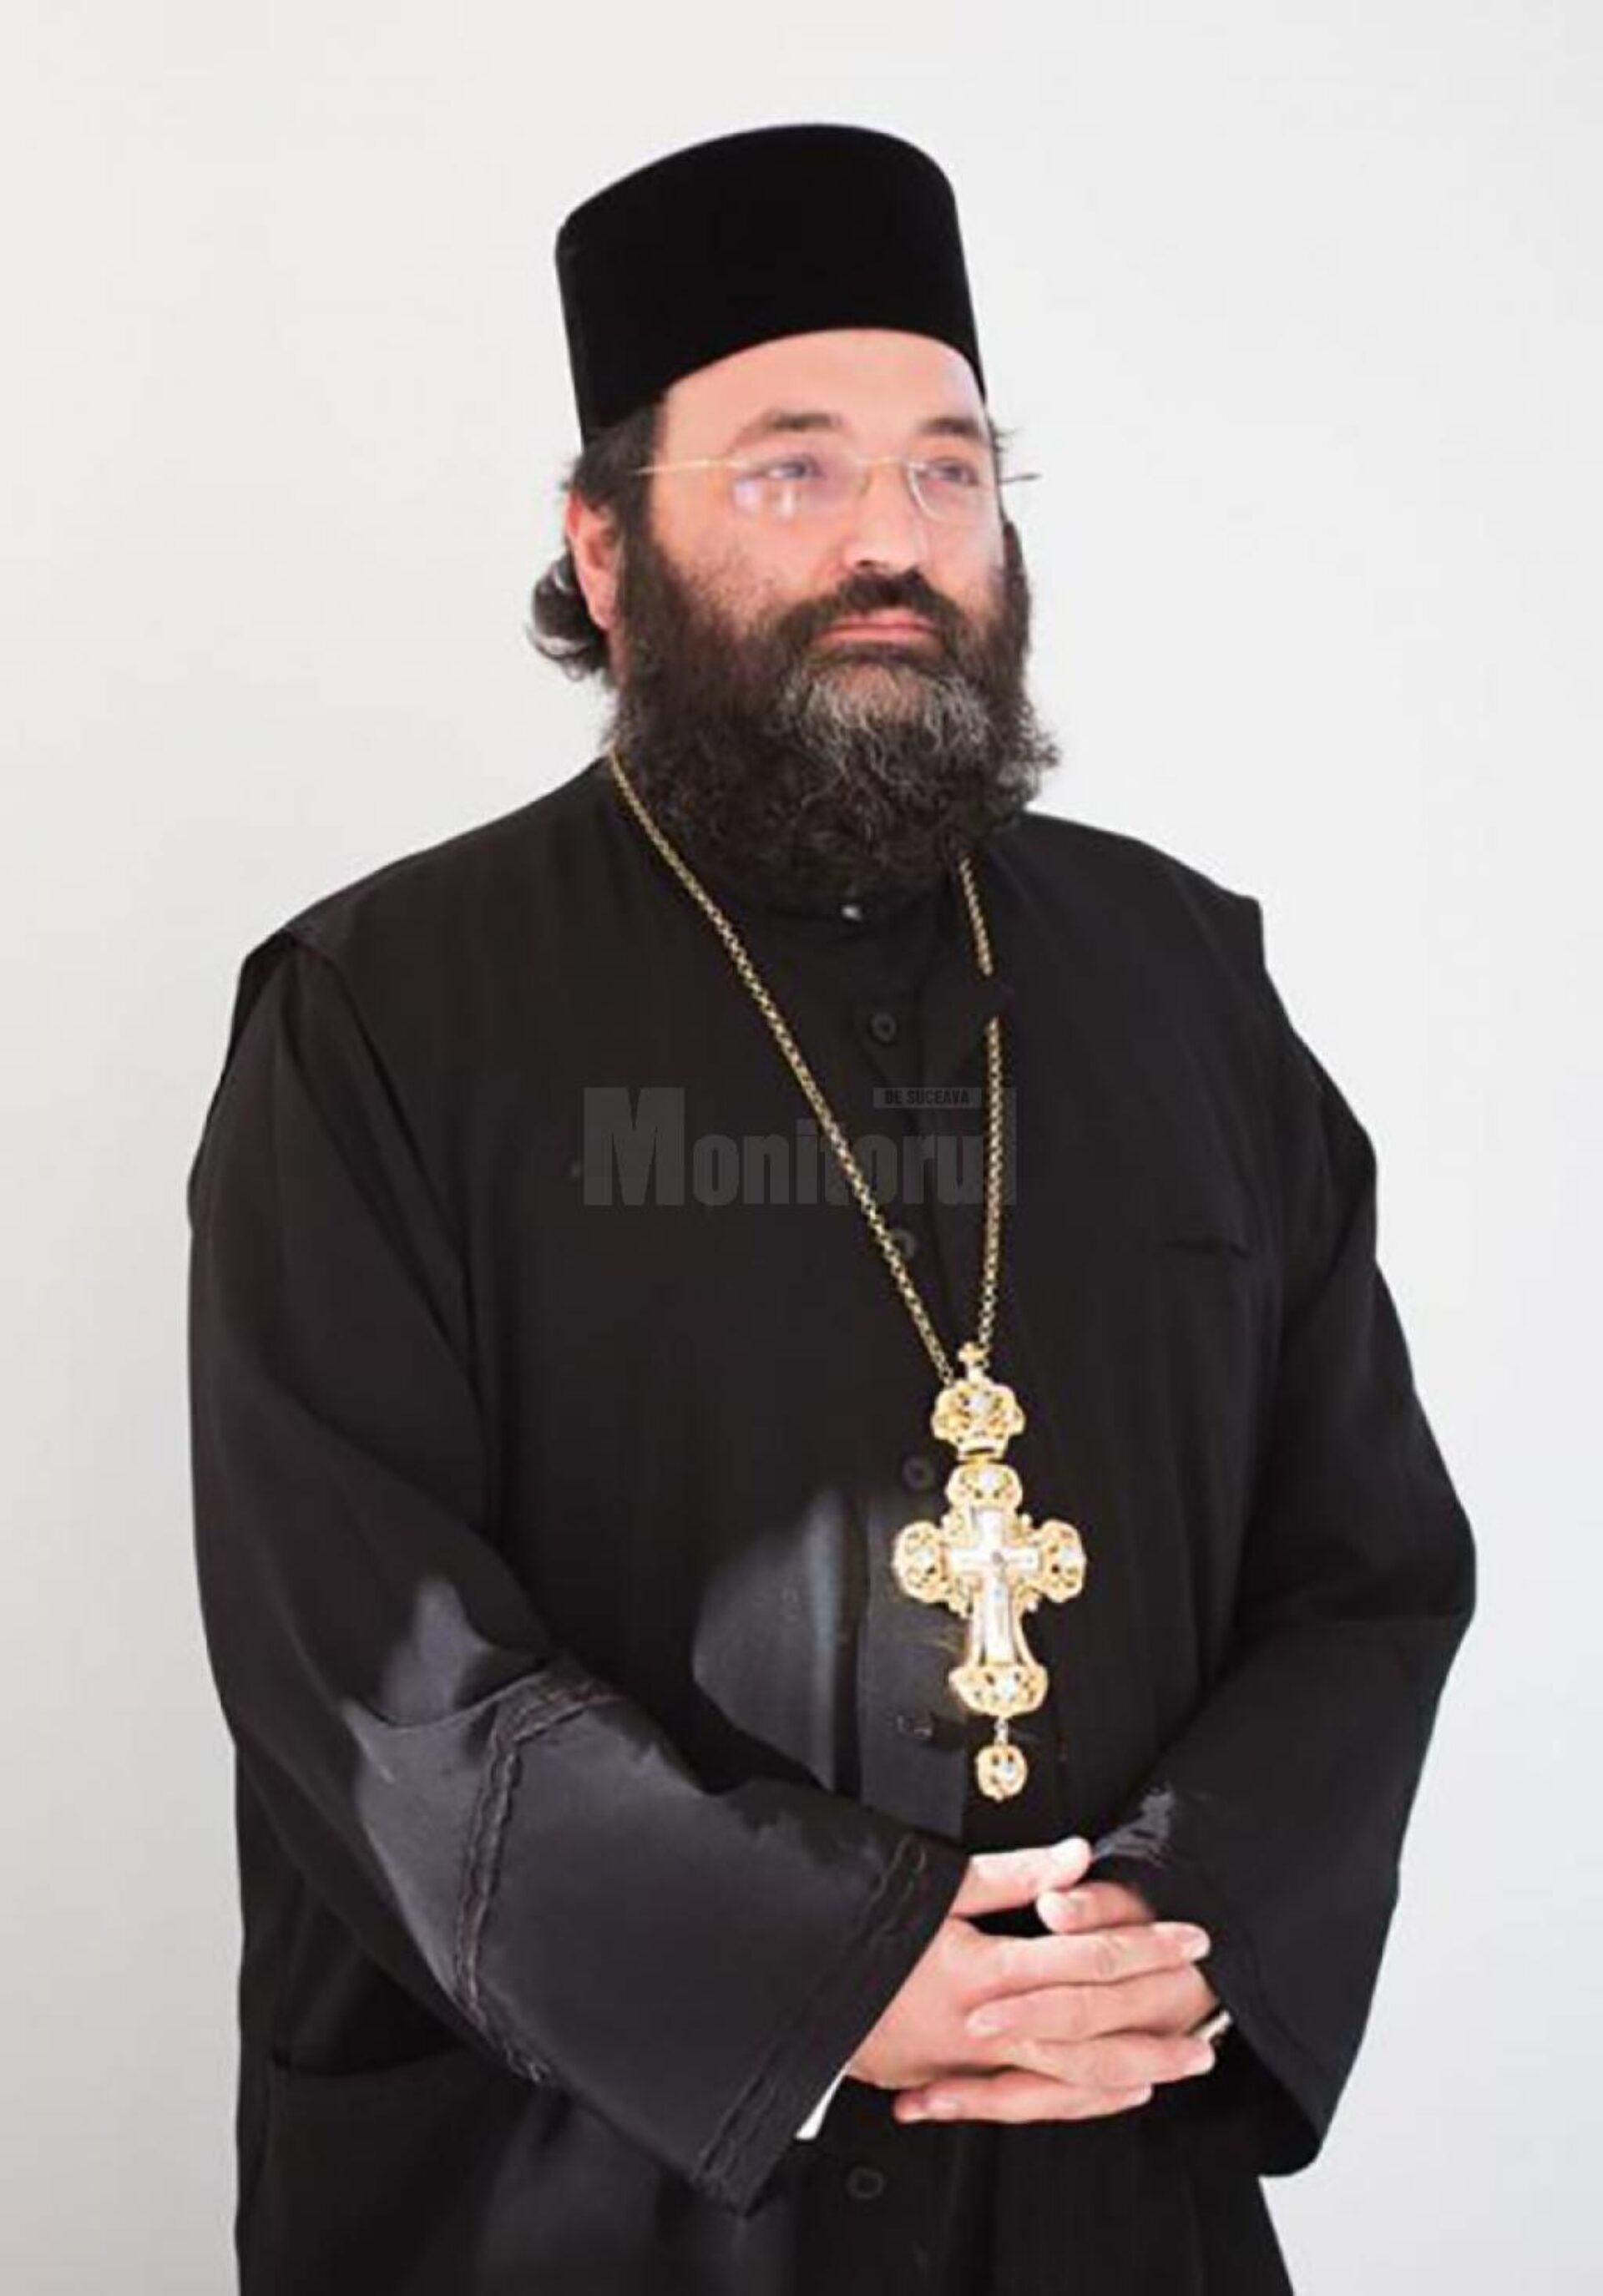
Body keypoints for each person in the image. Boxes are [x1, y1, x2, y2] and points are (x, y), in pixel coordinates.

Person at [185, 123, 1477, 2295]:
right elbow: (369, 1669)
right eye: (793, 467)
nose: (895, 536)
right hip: (576, 2205)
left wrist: (1175, 1933)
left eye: (951, 469)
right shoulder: (382, 1014)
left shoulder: (1183, 981)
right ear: (605, 547)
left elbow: (1367, 1566)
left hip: (1103, 2190)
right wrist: (818, 1973)